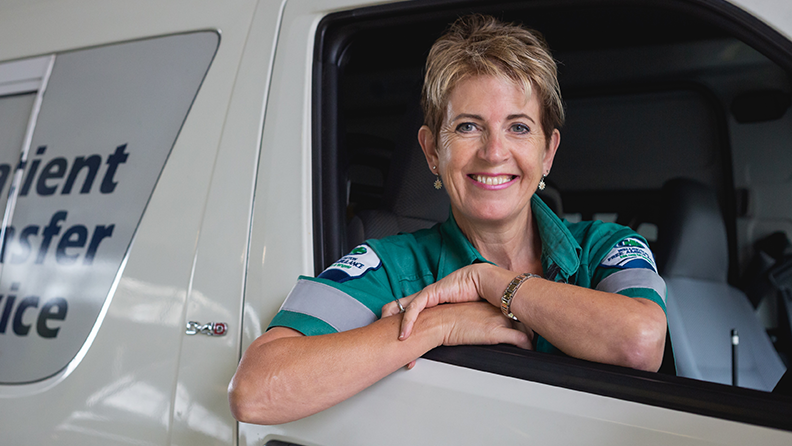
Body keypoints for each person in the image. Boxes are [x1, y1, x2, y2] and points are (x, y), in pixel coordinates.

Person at [229, 14, 667, 425]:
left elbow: (642, 343)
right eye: (467, 127)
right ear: (432, 153)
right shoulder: (392, 267)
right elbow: (255, 390)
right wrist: (440, 324)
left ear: (547, 151)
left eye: (518, 127)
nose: (494, 152)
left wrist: (490, 283)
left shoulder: (606, 247)